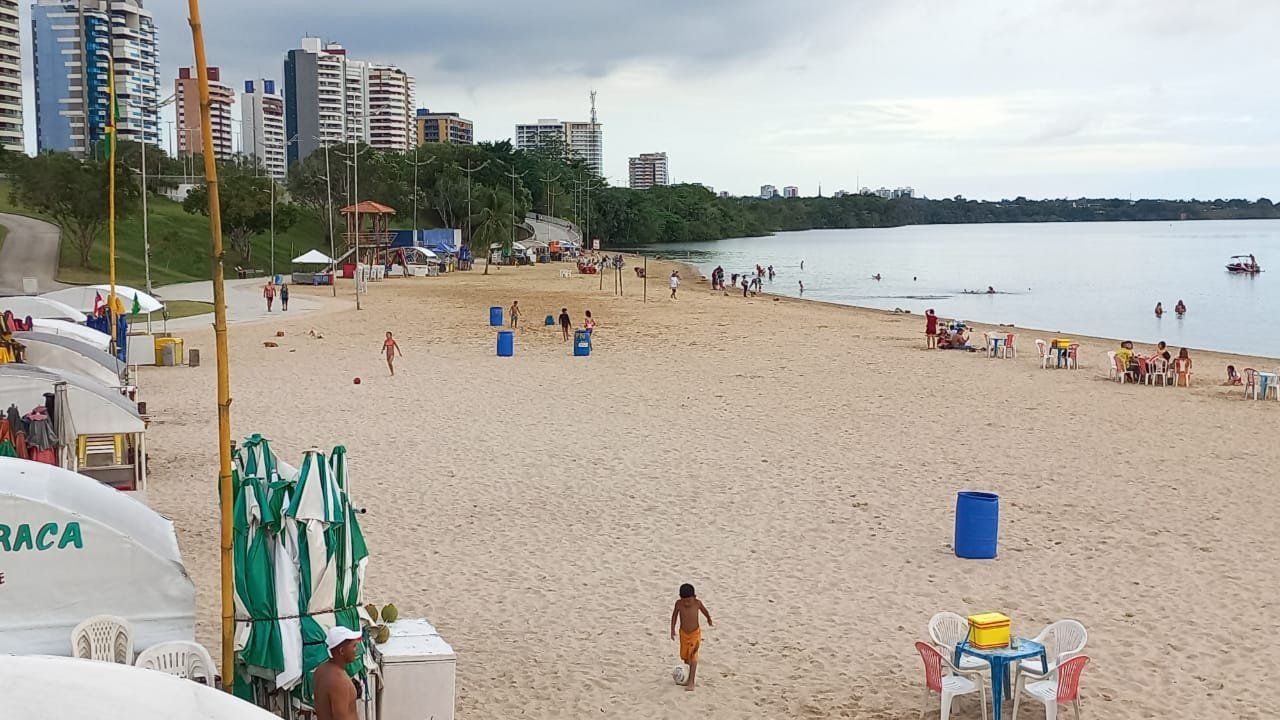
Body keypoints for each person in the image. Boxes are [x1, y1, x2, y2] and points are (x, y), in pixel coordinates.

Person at [670, 583, 712, 691]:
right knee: (685, 656)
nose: (687, 603)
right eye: (684, 601)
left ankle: (691, 681)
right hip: (683, 634)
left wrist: (708, 619)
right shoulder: (678, 604)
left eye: (689, 601)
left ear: (694, 597)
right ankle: (687, 675)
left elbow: (704, 611)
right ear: (680, 598)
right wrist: (672, 629)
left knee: (693, 656)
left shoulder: (697, 603)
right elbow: (674, 616)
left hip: (694, 634)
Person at [314, 626, 362, 720]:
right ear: (342, 651)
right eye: (354, 646)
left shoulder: (320, 670)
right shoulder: (339, 681)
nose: (356, 649)